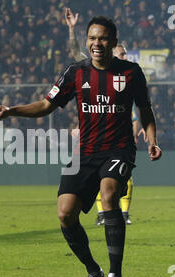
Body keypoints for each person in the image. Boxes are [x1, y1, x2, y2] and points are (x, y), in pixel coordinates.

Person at [0, 16, 161, 277]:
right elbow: (47, 105)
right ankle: (93, 271)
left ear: (114, 42)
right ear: (87, 41)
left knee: (109, 195)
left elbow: (145, 110)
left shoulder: (131, 72)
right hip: (84, 152)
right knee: (65, 214)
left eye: (104, 38)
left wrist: (152, 138)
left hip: (118, 149)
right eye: (93, 38)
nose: (97, 44)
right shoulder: (75, 72)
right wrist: (13, 111)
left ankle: (115, 275)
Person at [64, 8, 147, 226]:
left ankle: (122, 213)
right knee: (101, 181)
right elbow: (75, 54)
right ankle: (104, 213)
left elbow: (138, 111)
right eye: (122, 54)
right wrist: (72, 30)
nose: (123, 57)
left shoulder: (129, 75)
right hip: (94, 140)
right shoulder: (89, 70)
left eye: (124, 54)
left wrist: (140, 130)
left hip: (120, 141)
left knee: (119, 179)